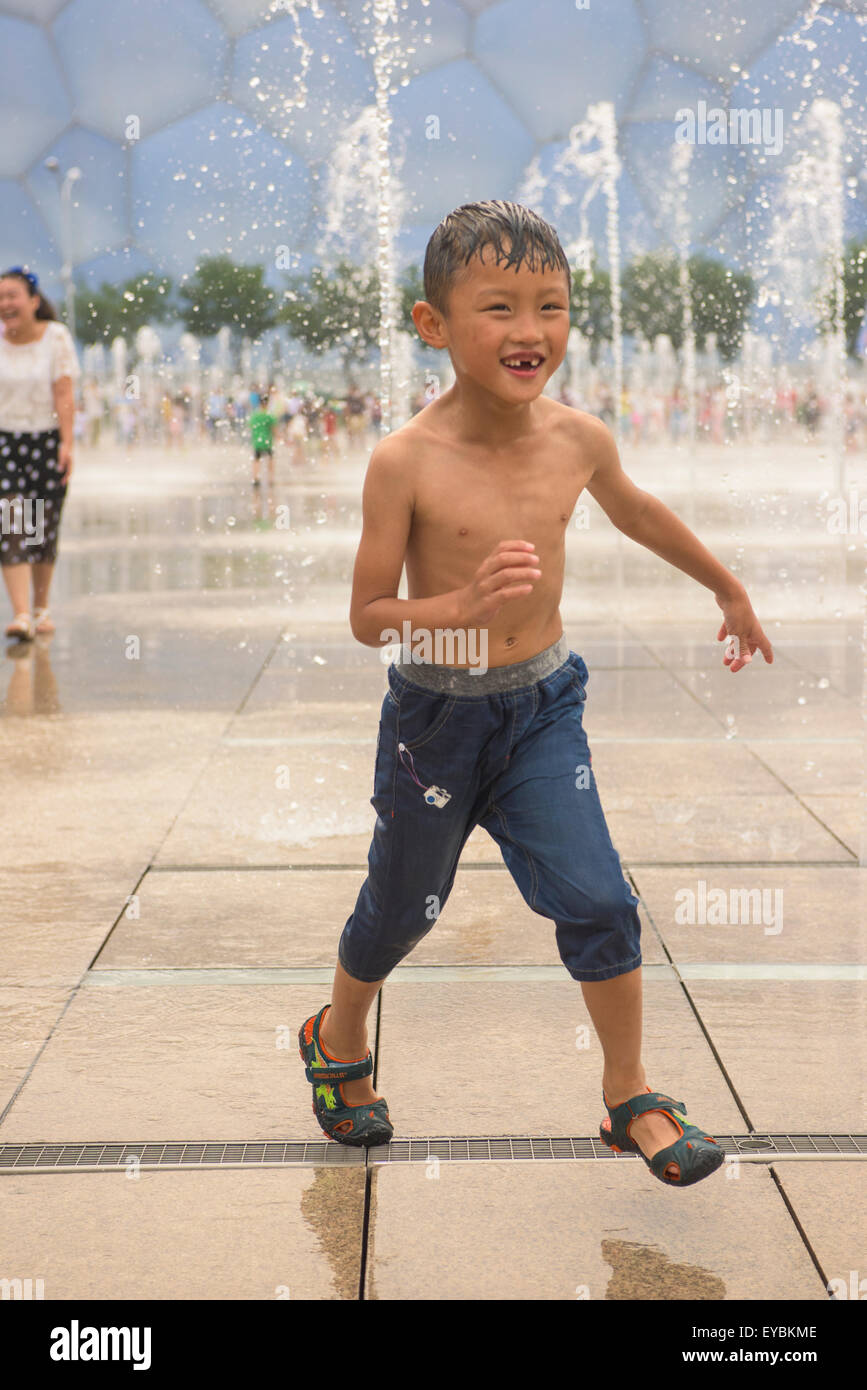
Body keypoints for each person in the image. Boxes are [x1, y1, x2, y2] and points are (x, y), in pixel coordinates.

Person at [297, 200, 774, 1185]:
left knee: (598, 894)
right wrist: (461, 603)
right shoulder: (405, 462)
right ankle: (338, 1038)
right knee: (401, 911)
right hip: (434, 720)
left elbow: (637, 510)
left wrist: (726, 586)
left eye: (550, 306)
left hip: (542, 707)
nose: (530, 332)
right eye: (500, 308)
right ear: (434, 326)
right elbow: (367, 615)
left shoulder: (577, 439)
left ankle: (630, 1093)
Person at [0, 265, 79, 641]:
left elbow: (64, 394)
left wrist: (67, 443)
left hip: (46, 440)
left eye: (11, 295)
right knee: (11, 523)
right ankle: (20, 616)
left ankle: (41, 607)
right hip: (6, 442)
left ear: (33, 301)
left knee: (41, 529)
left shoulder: (55, 337)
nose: (4, 304)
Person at [249, 389, 276, 488]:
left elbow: (250, 426)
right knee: (270, 460)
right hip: (268, 441)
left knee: (256, 460)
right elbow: (274, 428)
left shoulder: (255, 415)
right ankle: (271, 479)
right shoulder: (269, 415)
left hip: (257, 441)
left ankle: (256, 478)